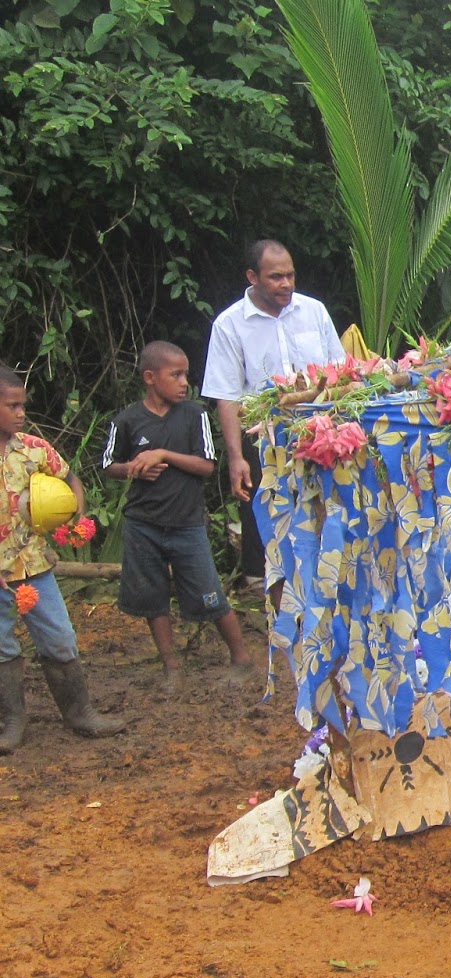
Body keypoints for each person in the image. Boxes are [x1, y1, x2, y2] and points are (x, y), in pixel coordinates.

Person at [104, 342, 254, 686]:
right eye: (176, 375)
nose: (185, 381)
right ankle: (171, 666)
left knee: (209, 590)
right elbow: (109, 465)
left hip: (186, 523)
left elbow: (206, 465)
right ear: (150, 378)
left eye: (186, 373)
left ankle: (242, 658)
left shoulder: (195, 414)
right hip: (142, 523)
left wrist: (162, 455)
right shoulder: (127, 420)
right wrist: (134, 468)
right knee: (152, 597)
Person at [201, 239, 345, 587]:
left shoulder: (313, 311)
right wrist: (236, 457)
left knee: (325, 509)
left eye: (291, 276)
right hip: (264, 438)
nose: (286, 285)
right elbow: (227, 396)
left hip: (320, 432)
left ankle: (326, 580)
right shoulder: (229, 324)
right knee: (269, 515)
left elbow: (341, 372)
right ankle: (272, 594)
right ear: (252, 277)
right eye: (276, 277)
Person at [0, 364, 124, 750]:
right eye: (13, 405)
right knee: (1, 646)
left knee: (60, 638)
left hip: (36, 566)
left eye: (23, 405)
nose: (22, 413)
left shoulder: (35, 449)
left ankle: (80, 713)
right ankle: (12, 723)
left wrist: (76, 515)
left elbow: (71, 480)